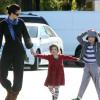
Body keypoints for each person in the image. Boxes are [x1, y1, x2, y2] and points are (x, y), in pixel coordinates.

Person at [0, 4, 34, 100]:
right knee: (2, 75)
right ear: (11, 13)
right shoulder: (3, 24)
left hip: (19, 52)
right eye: (17, 14)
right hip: (7, 51)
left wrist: (31, 48)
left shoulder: (21, 22)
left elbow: (26, 36)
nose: (19, 16)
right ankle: (9, 88)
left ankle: (13, 95)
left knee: (18, 76)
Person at [72, 29, 100, 100]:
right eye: (89, 37)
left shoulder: (98, 45)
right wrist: (86, 32)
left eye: (92, 37)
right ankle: (79, 97)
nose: (90, 38)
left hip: (95, 66)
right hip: (87, 66)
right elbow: (78, 37)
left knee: (97, 83)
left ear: (95, 38)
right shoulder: (85, 44)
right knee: (83, 82)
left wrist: (98, 34)